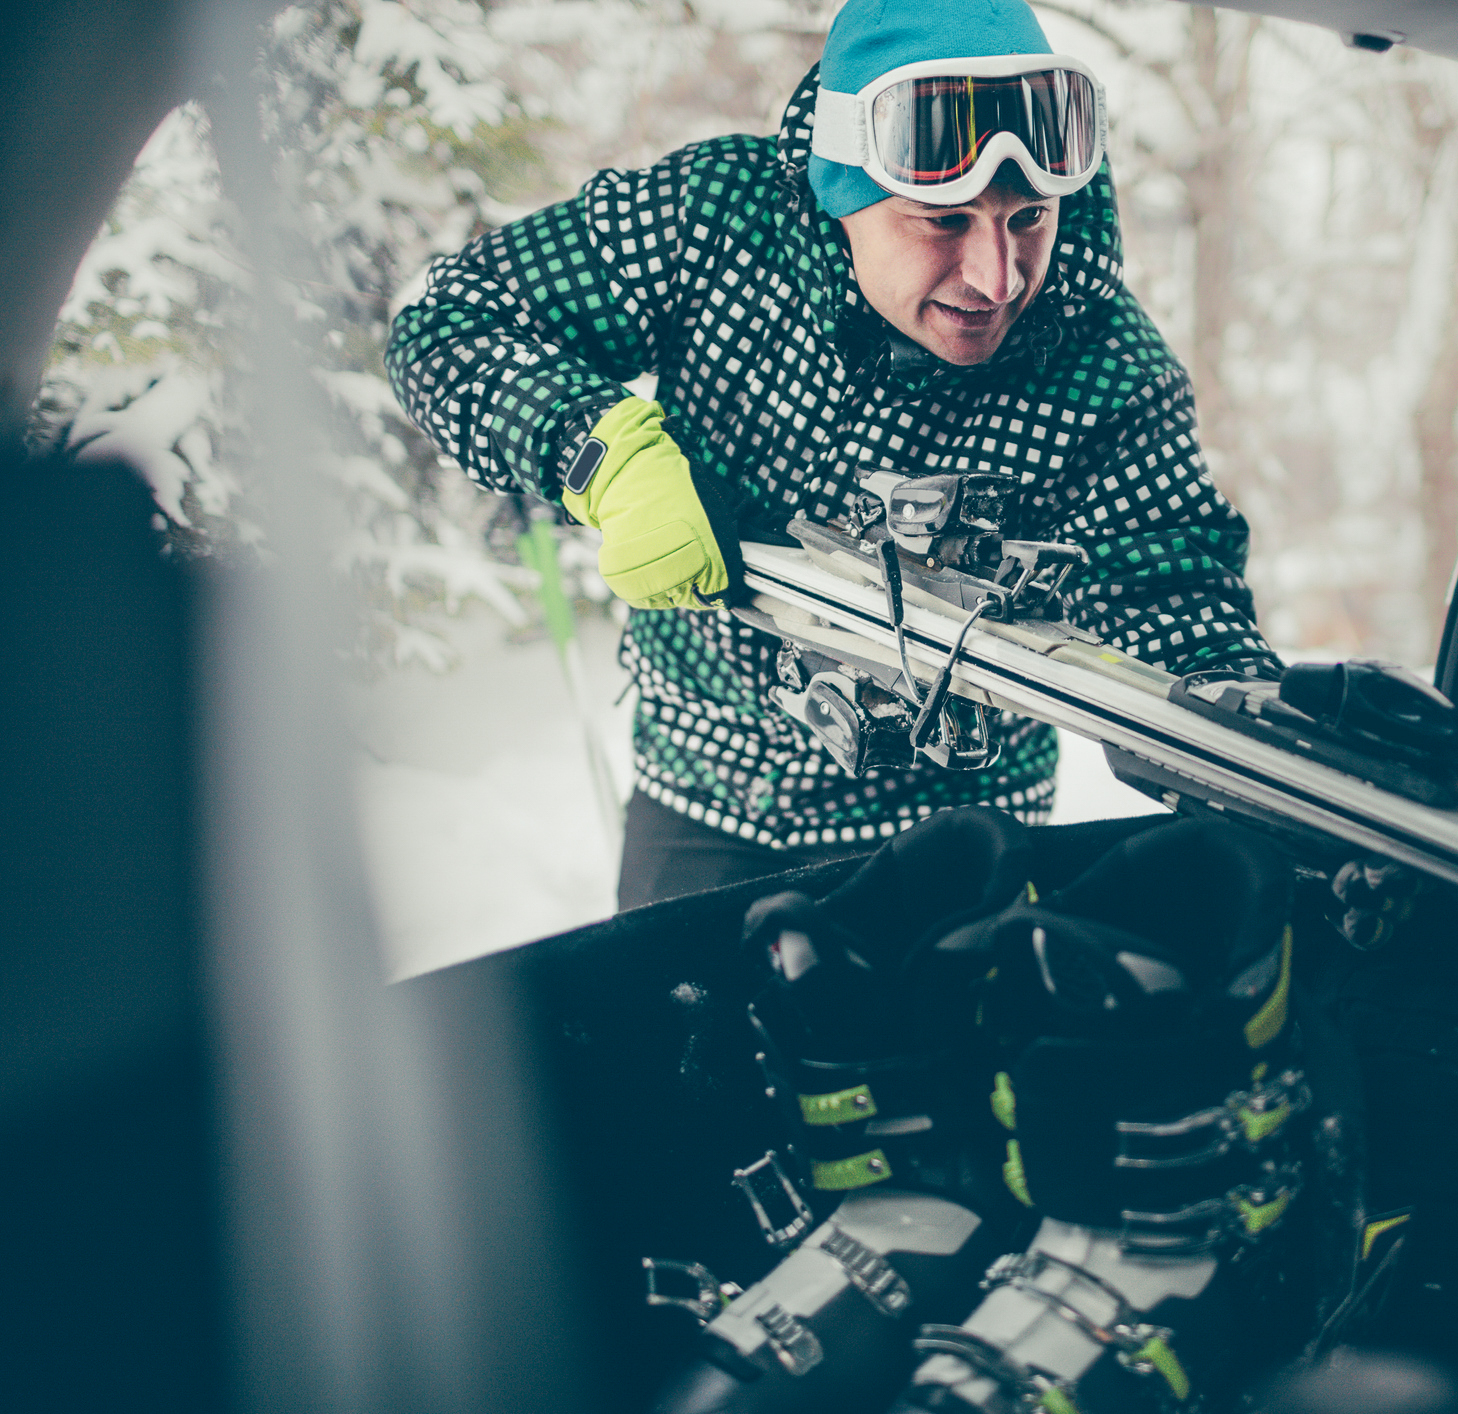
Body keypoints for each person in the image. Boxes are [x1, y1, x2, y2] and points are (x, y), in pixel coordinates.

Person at [387, 0, 1278, 908]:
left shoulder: (1103, 364)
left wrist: (1245, 731)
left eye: (1027, 220)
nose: (996, 278)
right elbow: (455, 320)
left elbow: (1167, 587)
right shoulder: (712, 225)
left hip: (962, 833)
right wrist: (595, 454)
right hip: (711, 798)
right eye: (942, 222)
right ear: (843, 194)